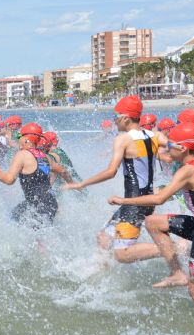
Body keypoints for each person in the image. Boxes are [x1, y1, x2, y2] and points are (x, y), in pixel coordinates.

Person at [108, 122, 194, 307]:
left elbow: (159, 199)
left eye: (170, 145)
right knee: (153, 222)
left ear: (183, 148)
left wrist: (122, 200)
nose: (167, 149)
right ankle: (177, 272)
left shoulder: (188, 170)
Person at [63, 95, 161, 263]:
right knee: (103, 237)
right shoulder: (150, 135)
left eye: (115, 117)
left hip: (134, 202)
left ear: (125, 118)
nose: (114, 121)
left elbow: (111, 172)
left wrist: (81, 183)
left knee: (122, 254)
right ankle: (100, 275)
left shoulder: (123, 139)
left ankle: (174, 248)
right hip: (141, 199)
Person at [0, 123, 72, 228]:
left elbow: (9, 180)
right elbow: (63, 170)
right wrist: (73, 184)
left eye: (19, 137)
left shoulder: (22, 155)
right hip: (50, 202)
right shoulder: (44, 156)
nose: (18, 140)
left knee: (35, 238)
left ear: (27, 139)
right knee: (15, 217)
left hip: (38, 205)